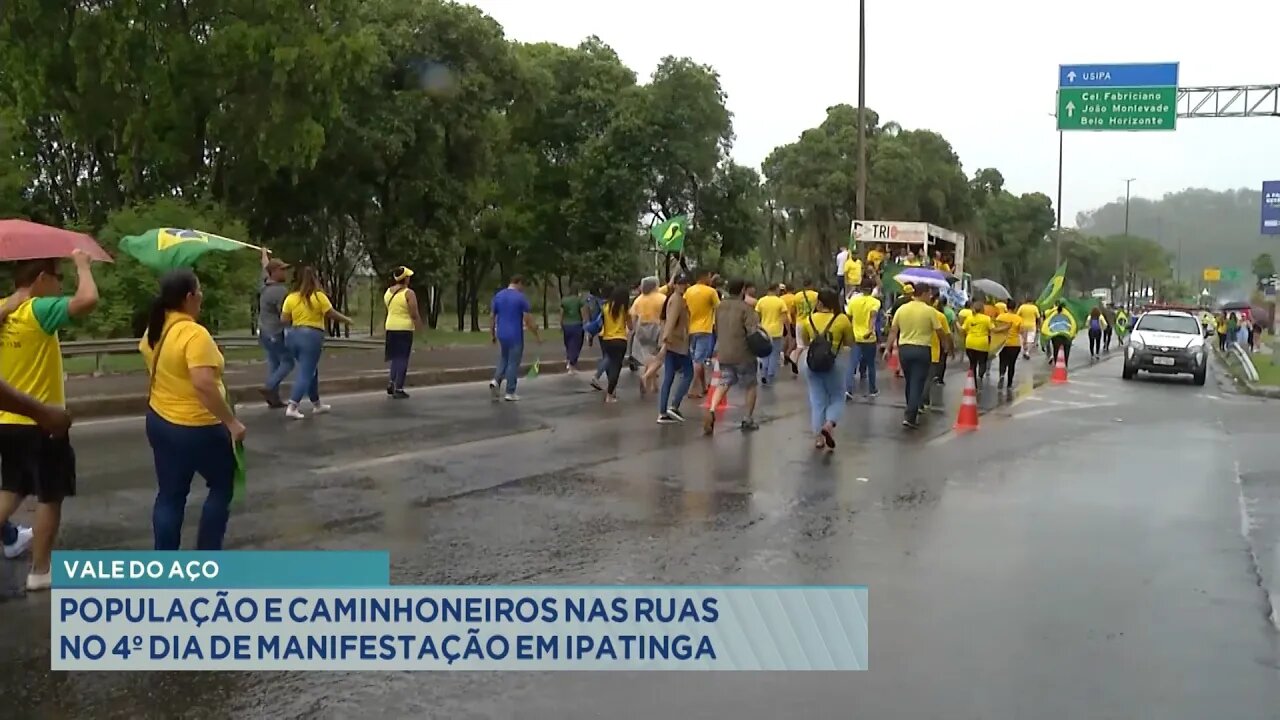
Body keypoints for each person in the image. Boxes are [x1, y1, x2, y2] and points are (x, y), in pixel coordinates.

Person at [0, 252, 96, 591]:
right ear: (41, 278)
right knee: (49, 497)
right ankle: (40, 571)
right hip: (42, 422)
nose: (59, 285)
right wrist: (83, 265)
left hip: (7, 420)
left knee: (10, 492)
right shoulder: (38, 309)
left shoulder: (5, 310)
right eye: (57, 277)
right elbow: (88, 300)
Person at [139, 270, 245, 552]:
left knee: (170, 497)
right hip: (197, 427)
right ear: (189, 297)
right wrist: (231, 422)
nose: (202, 296)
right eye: (199, 291)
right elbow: (203, 384)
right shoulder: (194, 334)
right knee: (222, 486)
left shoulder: (156, 330)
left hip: (160, 421)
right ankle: (207, 557)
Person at [0, 381, 72, 562]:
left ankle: (11, 538)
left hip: (6, 417)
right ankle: (41, 570)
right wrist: (44, 414)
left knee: (12, 488)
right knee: (51, 493)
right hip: (38, 416)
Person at [281, 267, 354, 419]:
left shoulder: (291, 298)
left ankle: (316, 404)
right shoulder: (319, 296)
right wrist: (347, 320)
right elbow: (330, 313)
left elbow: (284, 319)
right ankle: (293, 405)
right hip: (312, 336)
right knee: (306, 372)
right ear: (314, 279)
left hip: (293, 336)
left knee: (311, 370)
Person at [886, 285, 951, 429]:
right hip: (922, 349)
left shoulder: (902, 309)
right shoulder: (929, 311)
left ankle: (910, 408)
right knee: (917, 382)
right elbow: (939, 331)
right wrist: (945, 345)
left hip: (905, 349)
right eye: (929, 294)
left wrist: (888, 348)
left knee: (910, 381)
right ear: (924, 293)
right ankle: (910, 415)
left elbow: (893, 330)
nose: (930, 297)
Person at [703, 279, 762, 434]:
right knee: (750, 385)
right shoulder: (746, 308)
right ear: (743, 290)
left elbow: (716, 327)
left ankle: (712, 409)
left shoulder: (720, 307)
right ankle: (747, 418)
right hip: (743, 354)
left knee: (724, 382)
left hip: (724, 352)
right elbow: (753, 330)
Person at [800, 288, 853, 450]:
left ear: (819, 303)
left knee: (817, 400)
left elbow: (806, 342)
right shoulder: (842, 319)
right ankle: (829, 424)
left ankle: (818, 439)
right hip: (834, 362)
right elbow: (850, 342)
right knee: (837, 396)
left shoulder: (808, 320)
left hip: (811, 363)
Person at [489, 275, 541, 402]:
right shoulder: (520, 298)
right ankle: (510, 391)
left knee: (504, 358)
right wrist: (537, 335)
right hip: (515, 334)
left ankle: (496, 381)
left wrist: (492, 334)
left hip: (501, 333)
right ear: (519, 283)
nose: (523, 288)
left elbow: (492, 316)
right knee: (513, 362)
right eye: (522, 285)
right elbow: (528, 319)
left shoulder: (498, 296)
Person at [657, 273, 694, 424]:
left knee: (669, 377)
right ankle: (674, 405)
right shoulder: (677, 300)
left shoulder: (676, 299)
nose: (684, 285)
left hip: (674, 343)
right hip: (676, 344)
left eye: (685, 283)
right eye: (681, 283)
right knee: (688, 374)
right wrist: (665, 343)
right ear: (676, 284)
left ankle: (663, 412)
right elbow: (670, 323)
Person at [256, 251, 292, 408]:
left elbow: (265, 267)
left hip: (264, 331)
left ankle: (274, 398)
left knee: (274, 363)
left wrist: (264, 255)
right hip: (275, 333)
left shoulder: (264, 283)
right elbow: (284, 315)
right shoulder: (280, 291)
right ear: (275, 272)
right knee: (288, 362)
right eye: (282, 269)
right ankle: (269, 387)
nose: (285, 272)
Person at [383, 266, 422, 399]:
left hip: (390, 326)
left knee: (395, 357)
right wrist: (420, 329)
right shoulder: (408, 293)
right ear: (405, 279)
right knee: (403, 358)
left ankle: (391, 382)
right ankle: (399, 387)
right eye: (408, 276)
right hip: (404, 328)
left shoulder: (388, 292)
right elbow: (414, 313)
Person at [684, 270, 720, 398]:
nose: (710, 279)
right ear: (704, 277)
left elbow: (685, 309)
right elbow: (718, 309)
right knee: (698, 361)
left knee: (697, 359)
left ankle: (703, 385)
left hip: (690, 330)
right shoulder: (711, 292)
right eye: (709, 276)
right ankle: (692, 388)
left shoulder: (689, 292)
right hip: (705, 330)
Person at [631, 277, 667, 396]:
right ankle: (645, 376)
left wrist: (635, 329)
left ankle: (652, 385)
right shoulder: (661, 298)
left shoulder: (639, 299)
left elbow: (633, 316)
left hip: (642, 328)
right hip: (657, 327)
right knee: (659, 357)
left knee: (648, 356)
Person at [845, 280, 881, 398]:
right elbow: (873, 316)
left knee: (852, 364)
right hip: (869, 338)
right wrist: (870, 330)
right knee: (871, 365)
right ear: (871, 289)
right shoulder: (875, 302)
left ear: (860, 289)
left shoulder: (853, 302)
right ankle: (872, 389)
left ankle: (848, 389)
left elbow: (848, 318)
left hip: (855, 337)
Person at [599, 285, 633, 403]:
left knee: (610, 364)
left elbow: (602, 323)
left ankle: (611, 390)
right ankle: (609, 394)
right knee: (616, 368)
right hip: (620, 340)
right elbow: (630, 326)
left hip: (607, 340)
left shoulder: (605, 307)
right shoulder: (624, 309)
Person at [754, 284, 788, 385]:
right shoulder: (780, 301)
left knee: (765, 353)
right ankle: (771, 373)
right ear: (776, 289)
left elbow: (757, 316)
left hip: (764, 330)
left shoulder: (761, 301)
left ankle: (763, 372)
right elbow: (784, 317)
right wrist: (788, 331)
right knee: (774, 353)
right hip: (777, 331)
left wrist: (757, 327)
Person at [961, 300, 994, 381]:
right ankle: (980, 376)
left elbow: (962, 329)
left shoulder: (969, 318)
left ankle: (973, 381)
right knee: (982, 362)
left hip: (970, 343)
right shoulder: (987, 319)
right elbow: (993, 329)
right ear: (983, 309)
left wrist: (956, 323)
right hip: (982, 344)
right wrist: (1006, 327)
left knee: (972, 364)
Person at [994, 303, 1023, 390]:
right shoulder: (1018, 318)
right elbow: (1021, 331)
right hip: (1014, 344)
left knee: (1002, 361)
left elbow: (996, 329)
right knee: (1012, 364)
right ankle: (1009, 384)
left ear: (1007, 307)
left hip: (1002, 344)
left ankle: (1002, 375)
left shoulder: (1000, 317)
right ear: (1015, 308)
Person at [559, 287, 587, 373]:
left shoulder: (564, 300)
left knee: (568, 343)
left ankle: (569, 360)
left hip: (566, 324)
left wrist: (561, 324)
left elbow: (561, 313)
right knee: (576, 344)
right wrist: (584, 321)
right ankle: (571, 363)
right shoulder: (579, 300)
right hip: (577, 324)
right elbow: (583, 312)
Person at [1042, 301, 1078, 367]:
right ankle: (1065, 364)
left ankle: (1056, 364)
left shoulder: (1052, 312)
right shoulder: (1068, 312)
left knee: (1056, 350)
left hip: (1055, 334)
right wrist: (1073, 335)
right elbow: (1074, 321)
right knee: (1066, 350)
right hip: (1067, 333)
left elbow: (1046, 313)